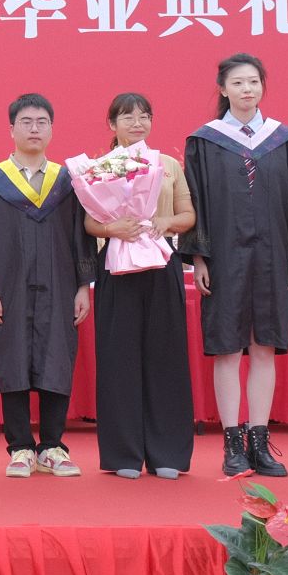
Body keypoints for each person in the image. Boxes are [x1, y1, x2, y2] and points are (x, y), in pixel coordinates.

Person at [182, 53, 288, 478]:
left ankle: (260, 442)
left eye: (253, 81)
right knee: (229, 348)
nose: (247, 89)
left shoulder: (283, 140)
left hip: (273, 254)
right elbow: (195, 200)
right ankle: (232, 444)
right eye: (237, 83)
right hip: (224, 254)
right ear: (223, 89)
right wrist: (199, 256)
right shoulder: (205, 141)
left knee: (265, 347)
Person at [0, 94, 94, 478]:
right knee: (12, 357)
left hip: (59, 285)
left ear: (51, 129)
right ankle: (20, 448)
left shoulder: (69, 183)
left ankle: (52, 446)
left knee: (57, 358)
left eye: (41, 122)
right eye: (26, 122)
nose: (34, 129)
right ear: (11, 129)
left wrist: (83, 287)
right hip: (8, 286)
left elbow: (81, 238)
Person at [85, 93, 195, 479]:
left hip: (161, 263)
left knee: (166, 357)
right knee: (119, 359)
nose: (137, 123)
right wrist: (111, 228)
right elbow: (88, 223)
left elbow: (188, 214)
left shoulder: (168, 164)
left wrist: (167, 223)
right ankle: (124, 454)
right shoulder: (98, 167)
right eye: (128, 117)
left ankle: (167, 453)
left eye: (144, 116)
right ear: (112, 124)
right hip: (117, 266)